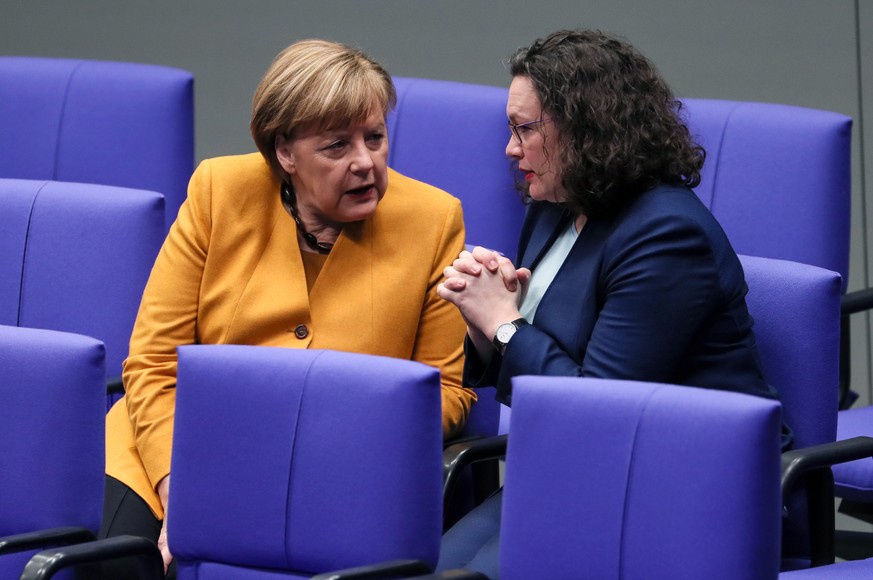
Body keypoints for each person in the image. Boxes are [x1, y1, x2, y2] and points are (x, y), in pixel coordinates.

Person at [99, 39, 476, 576]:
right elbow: (153, 361)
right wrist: (182, 488)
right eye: (336, 147)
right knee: (119, 562)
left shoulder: (434, 220)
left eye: (375, 137)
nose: (365, 162)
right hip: (176, 447)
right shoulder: (218, 191)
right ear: (285, 153)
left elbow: (449, 392)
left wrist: (340, 434)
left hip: (328, 468)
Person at [435, 29, 792, 578]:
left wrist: (505, 325)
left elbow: (598, 409)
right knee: (434, 569)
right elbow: (542, 362)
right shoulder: (554, 206)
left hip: (690, 487)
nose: (511, 148)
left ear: (586, 130)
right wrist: (484, 320)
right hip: (587, 474)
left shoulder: (667, 235)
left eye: (525, 129)